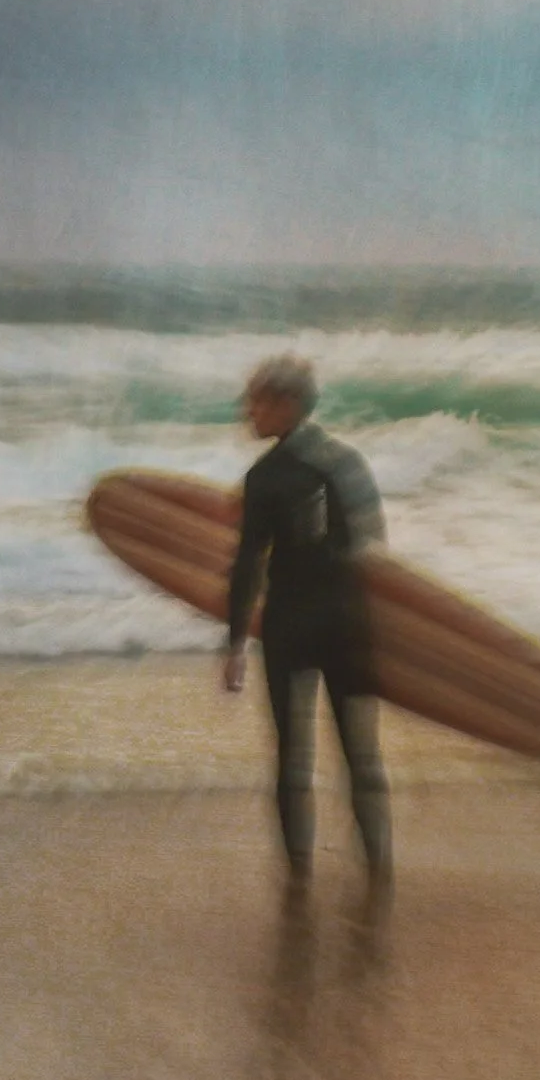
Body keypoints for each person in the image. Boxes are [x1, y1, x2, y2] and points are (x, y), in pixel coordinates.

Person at [221, 355, 391, 898]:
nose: (247, 411)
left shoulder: (263, 478)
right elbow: (371, 545)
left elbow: (248, 563)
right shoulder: (347, 462)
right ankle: (378, 870)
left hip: (291, 627)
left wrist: (233, 644)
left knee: (292, 758)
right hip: (346, 623)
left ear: (286, 404)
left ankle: (298, 879)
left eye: (256, 400)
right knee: (360, 755)